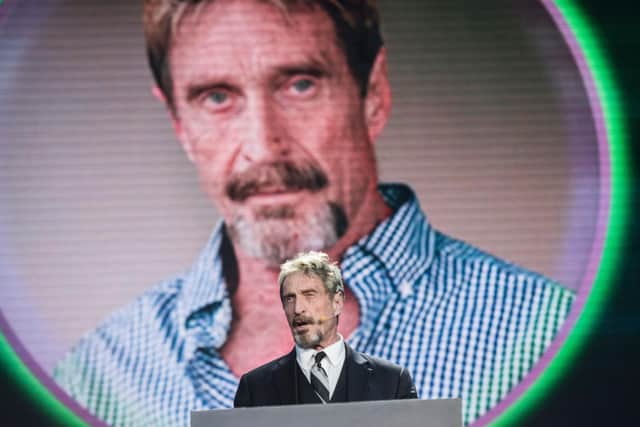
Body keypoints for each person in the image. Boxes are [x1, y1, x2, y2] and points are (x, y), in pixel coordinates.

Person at [53, 0, 575, 426]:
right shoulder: (97, 376)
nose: (263, 146)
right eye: (216, 97)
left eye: (299, 85)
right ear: (180, 124)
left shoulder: (548, 338)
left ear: (372, 94)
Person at [234, 251, 417, 406]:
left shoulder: (392, 381)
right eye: (290, 298)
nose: (298, 309)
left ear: (337, 302)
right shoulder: (255, 388)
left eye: (309, 295)